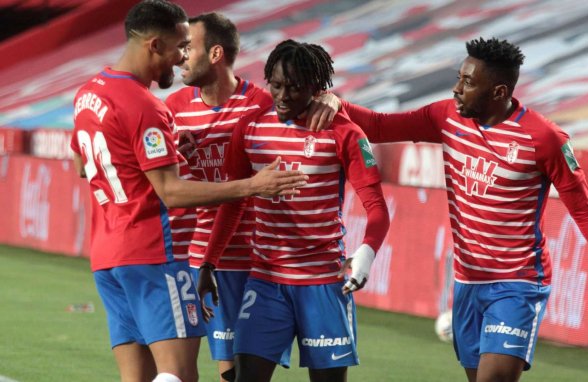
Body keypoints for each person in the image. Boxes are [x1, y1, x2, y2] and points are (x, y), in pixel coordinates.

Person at [337, 37, 588, 382]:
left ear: (498, 92)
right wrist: (329, 102)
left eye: (467, 82)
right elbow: (377, 125)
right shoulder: (446, 117)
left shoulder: (544, 139)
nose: (456, 89)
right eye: (459, 78)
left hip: (518, 282)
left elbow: (583, 210)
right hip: (467, 282)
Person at [69, 2, 307, 382]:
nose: (181, 58)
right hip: (154, 253)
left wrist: (157, 155)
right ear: (154, 45)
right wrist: (253, 185)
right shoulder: (146, 105)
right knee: (179, 375)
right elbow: (172, 193)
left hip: (108, 257)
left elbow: (83, 164)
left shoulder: (88, 93)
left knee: (139, 378)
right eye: (179, 46)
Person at [197, 39, 390, 382]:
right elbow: (234, 202)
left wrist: (367, 253)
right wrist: (210, 262)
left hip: (323, 284)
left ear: (316, 88)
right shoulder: (249, 128)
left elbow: (376, 208)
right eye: (277, 85)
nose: (284, 95)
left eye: (295, 87)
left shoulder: (343, 132)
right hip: (266, 282)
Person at [164, 12, 341, 382]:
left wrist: (332, 98)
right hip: (199, 256)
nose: (181, 56)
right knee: (199, 369)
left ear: (215, 54)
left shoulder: (262, 103)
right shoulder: (174, 108)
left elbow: (309, 104)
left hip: (256, 259)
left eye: (188, 47)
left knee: (241, 370)